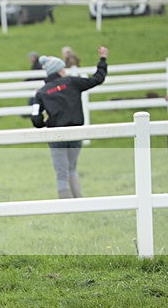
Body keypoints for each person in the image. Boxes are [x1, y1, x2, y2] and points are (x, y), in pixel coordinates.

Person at [30, 46, 109, 198]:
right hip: (75, 133)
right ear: (60, 70)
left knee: (61, 171)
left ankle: (66, 202)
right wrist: (103, 59)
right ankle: (78, 199)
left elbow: (35, 118)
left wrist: (44, 123)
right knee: (72, 168)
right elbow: (98, 78)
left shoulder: (41, 92)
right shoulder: (72, 82)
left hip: (55, 135)